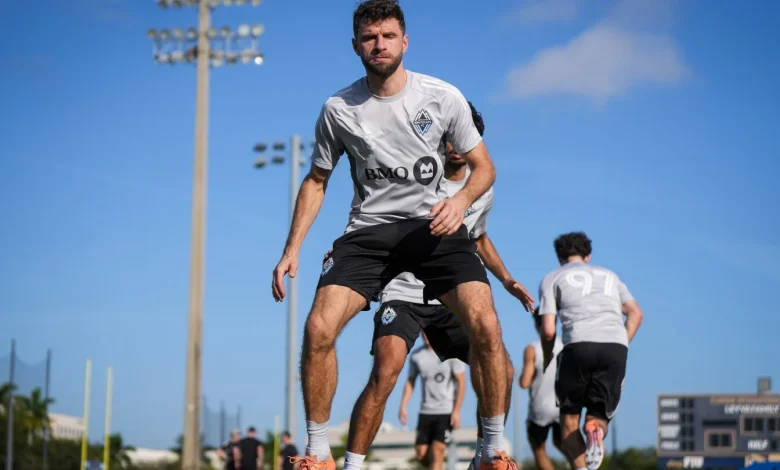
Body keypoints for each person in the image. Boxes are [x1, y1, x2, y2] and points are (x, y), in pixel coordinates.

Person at [271, 1, 514, 470]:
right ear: (355, 45)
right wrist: (291, 249)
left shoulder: (443, 97)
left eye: (387, 35)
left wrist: (459, 202)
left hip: (433, 228)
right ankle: (320, 454)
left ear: (405, 41)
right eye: (369, 37)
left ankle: (491, 449)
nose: (378, 44)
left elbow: (485, 168)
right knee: (318, 328)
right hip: (369, 232)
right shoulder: (338, 108)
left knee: (486, 325)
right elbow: (316, 180)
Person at [330, 100, 531, 470]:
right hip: (404, 291)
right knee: (387, 370)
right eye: (449, 134)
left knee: (501, 363)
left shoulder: (481, 188)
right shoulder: (415, 176)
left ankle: (488, 453)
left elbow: (479, 238)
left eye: (463, 136)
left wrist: (507, 279)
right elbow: (374, 219)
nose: (455, 144)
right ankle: (353, 464)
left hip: (450, 296)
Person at [537, 232, 643, 470]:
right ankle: (595, 430)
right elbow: (636, 313)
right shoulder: (610, 276)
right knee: (597, 416)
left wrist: (547, 357)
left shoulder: (552, 278)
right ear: (588, 255)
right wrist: (621, 342)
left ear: (559, 256)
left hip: (578, 346)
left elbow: (548, 331)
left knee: (569, 424)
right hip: (614, 347)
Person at [399, 332, 466, 470]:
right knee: (421, 454)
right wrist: (403, 406)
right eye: (423, 332)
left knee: (437, 450)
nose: (426, 335)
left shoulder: (451, 353)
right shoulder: (417, 356)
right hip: (425, 411)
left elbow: (461, 383)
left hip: (445, 411)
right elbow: (410, 382)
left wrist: (457, 411)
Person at [518, 309, 564, 470]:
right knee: (566, 445)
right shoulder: (566, 345)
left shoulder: (533, 349)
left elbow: (524, 382)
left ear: (536, 325)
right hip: (563, 406)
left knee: (539, 449)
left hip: (540, 408)